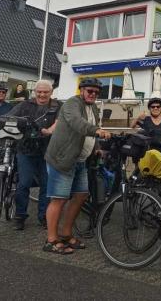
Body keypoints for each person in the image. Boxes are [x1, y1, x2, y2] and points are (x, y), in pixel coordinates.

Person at [42, 77, 112, 254]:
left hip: (80, 160)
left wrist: (96, 147)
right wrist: (97, 131)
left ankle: (65, 234)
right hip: (63, 159)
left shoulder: (93, 108)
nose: (93, 94)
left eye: (96, 92)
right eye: (90, 91)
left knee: (81, 195)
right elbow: (77, 123)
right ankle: (51, 240)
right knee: (59, 199)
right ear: (81, 90)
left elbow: (90, 130)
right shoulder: (72, 104)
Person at [7, 80, 61, 231]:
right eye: (39, 91)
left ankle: (43, 216)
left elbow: (60, 121)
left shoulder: (57, 106)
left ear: (51, 93)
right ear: (35, 92)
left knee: (46, 185)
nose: (42, 94)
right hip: (26, 150)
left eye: (46, 92)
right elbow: (9, 117)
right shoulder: (24, 105)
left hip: (47, 151)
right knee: (23, 183)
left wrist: (50, 130)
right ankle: (20, 216)